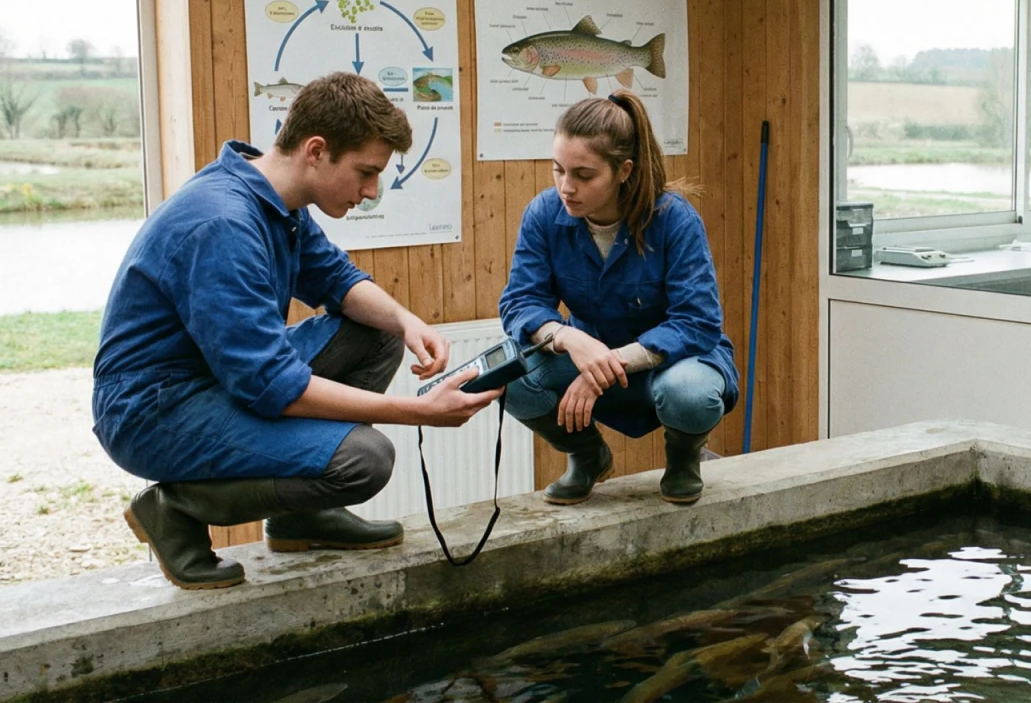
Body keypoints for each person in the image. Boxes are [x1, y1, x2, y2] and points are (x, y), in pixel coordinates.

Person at [92, 72, 501, 590]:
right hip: (151, 410)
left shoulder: (275, 201)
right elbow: (270, 386)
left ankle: (299, 517)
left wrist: (406, 320)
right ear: (316, 150)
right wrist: (419, 412)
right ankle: (175, 508)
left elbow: (337, 278)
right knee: (365, 460)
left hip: (215, 379)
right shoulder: (223, 223)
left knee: (376, 332)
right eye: (366, 172)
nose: (372, 191)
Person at [499, 90, 738, 507]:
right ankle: (588, 456)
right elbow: (520, 302)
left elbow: (698, 322)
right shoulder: (542, 214)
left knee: (689, 394)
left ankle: (683, 458)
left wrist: (604, 367)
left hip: (677, 361)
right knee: (508, 378)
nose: (565, 187)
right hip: (588, 351)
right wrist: (570, 340)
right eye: (558, 170)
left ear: (623, 170)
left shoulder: (675, 219)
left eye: (583, 175)